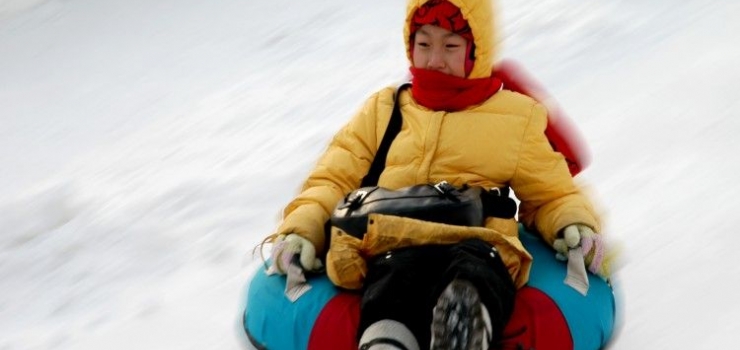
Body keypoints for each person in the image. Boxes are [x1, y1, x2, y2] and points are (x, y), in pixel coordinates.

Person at [265, 0, 609, 349]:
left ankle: (463, 330)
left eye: (450, 46)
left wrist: (571, 224)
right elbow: (332, 178)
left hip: (477, 238)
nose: (434, 59)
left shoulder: (516, 117)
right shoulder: (384, 109)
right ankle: (386, 342)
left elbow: (551, 194)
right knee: (393, 278)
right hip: (393, 239)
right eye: (424, 44)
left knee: (477, 273)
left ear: (477, 50)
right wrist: (302, 229)